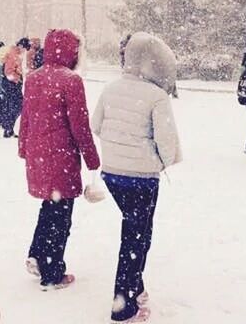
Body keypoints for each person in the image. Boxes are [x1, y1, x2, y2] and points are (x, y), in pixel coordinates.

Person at [92, 31, 181, 323]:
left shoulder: (110, 89)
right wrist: (160, 161)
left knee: (135, 230)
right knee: (137, 236)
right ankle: (124, 304)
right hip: (142, 177)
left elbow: (97, 124)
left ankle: (135, 286)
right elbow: (168, 144)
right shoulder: (156, 95)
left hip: (113, 175)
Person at [19, 28, 100, 290]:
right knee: (61, 215)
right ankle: (52, 271)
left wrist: (24, 149)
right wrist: (92, 159)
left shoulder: (34, 78)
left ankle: (37, 254)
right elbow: (80, 125)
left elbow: (27, 117)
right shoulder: (71, 81)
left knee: (49, 207)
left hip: (38, 154)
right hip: (60, 157)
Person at [0, 37, 28, 138]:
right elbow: (9, 71)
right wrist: (16, 78)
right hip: (11, 84)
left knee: (13, 106)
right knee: (17, 106)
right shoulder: (14, 55)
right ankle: (8, 128)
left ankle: (9, 129)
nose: (25, 51)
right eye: (25, 48)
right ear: (21, 46)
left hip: (11, 83)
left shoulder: (15, 54)